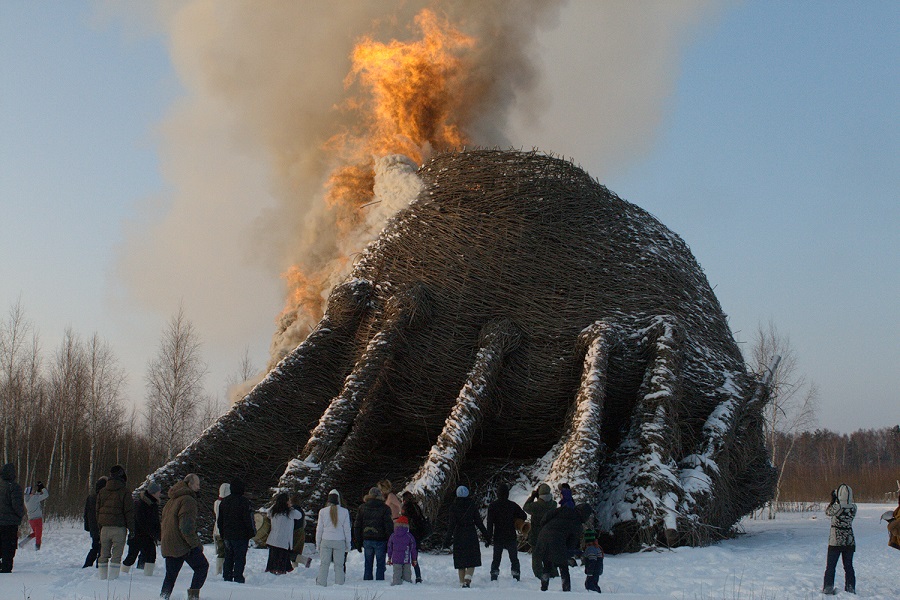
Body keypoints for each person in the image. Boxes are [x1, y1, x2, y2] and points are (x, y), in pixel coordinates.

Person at [160, 473, 208, 600]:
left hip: (169, 542)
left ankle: (163, 597)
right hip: (182, 544)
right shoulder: (188, 500)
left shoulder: (172, 499)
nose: (199, 487)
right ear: (189, 484)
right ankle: (193, 596)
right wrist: (195, 544)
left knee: (170, 576)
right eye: (197, 484)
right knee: (202, 566)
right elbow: (186, 527)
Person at [534, 502, 590, 592]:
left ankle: (544, 587)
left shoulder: (564, 509)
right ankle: (566, 589)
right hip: (557, 541)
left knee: (547, 564)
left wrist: (544, 526)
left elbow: (547, 515)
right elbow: (571, 543)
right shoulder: (577, 525)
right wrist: (565, 552)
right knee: (563, 567)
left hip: (543, 536)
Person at [444, 485, 488, 588]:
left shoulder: (453, 507)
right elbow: (479, 522)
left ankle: (461, 582)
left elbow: (451, 525)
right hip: (470, 533)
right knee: (472, 558)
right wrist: (486, 535)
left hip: (459, 534)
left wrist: (447, 539)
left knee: (461, 559)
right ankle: (467, 579)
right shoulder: (471, 505)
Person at [95, 465, 135, 580]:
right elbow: (129, 513)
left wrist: (100, 527)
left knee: (103, 555)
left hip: (104, 528)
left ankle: (102, 578)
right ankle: (112, 580)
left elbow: (97, 511)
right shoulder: (125, 492)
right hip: (119, 529)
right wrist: (132, 529)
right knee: (116, 557)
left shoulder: (102, 492)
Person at [216, 477, 255, 584]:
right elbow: (248, 519)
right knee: (239, 557)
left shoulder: (224, 502)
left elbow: (220, 520)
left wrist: (222, 533)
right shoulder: (244, 502)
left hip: (228, 534)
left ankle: (227, 575)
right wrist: (251, 532)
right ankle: (238, 576)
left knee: (229, 556)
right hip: (241, 535)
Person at [486, 482, 527, 581]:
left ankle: (494, 574)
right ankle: (516, 574)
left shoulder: (493, 506)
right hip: (510, 535)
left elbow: (490, 523)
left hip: (498, 535)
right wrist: (515, 519)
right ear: (507, 494)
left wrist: (488, 537)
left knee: (496, 558)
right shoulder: (512, 505)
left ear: (498, 493)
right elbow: (524, 515)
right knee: (514, 558)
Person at [822, 483, 857, 595]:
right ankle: (850, 587)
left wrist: (833, 500)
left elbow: (828, 512)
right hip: (849, 541)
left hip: (835, 541)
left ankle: (828, 587)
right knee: (848, 566)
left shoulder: (836, 508)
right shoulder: (854, 508)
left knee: (831, 567)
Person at [353, 486, 393, 580]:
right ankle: (379, 582)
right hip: (381, 539)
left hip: (367, 538)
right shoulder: (385, 508)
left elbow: (357, 525)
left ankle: (367, 581)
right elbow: (389, 527)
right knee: (380, 564)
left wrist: (358, 541)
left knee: (368, 563)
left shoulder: (362, 507)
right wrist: (389, 541)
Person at [121, 481, 161, 576]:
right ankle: (122, 574)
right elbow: (142, 522)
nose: (160, 494)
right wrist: (154, 534)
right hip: (137, 536)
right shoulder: (140, 504)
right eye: (159, 492)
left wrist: (158, 534)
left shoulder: (153, 504)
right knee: (131, 557)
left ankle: (148, 576)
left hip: (148, 537)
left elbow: (156, 521)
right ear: (153, 493)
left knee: (151, 556)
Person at [315, 488, 351, 586]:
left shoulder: (322, 512)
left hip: (326, 540)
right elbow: (347, 530)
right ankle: (340, 584)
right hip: (340, 541)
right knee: (339, 565)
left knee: (324, 564)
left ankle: (321, 584)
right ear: (339, 499)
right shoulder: (344, 512)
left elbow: (319, 529)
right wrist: (348, 544)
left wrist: (318, 544)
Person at [523, 483, 557, 579]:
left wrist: (532, 496)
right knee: (549, 557)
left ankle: (539, 575)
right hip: (549, 535)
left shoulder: (535, 506)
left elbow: (525, 507)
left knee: (537, 559)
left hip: (536, 535)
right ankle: (554, 574)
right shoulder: (553, 505)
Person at [0, 463, 25, 573]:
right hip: (9, 523)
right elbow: (17, 505)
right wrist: (21, 514)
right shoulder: (14, 487)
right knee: (8, 546)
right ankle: (6, 568)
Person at [401, 491, 430, 583]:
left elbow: (404, 521)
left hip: (408, 533)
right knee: (414, 557)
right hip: (417, 535)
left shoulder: (405, 508)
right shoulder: (416, 506)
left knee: (404, 556)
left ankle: (404, 576)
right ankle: (418, 576)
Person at [83, 477, 107, 568]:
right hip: (101, 525)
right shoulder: (104, 498)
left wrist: (87, 526)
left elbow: (86, 513)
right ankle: (99, 565)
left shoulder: (91, 497)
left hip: (93, 526)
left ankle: (88, 564)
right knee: (102, 547)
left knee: (95, 546)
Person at [387, 515, 418, 585]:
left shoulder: (393, 535)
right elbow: (413, 548)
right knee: (407, 575)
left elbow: (389, 547)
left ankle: (396, 584)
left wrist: (389, 558)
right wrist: (414, 559)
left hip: (396, 559)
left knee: (397, 574)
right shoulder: (409, 536)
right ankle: (407, 586)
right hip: (406, 558)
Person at [20, 481, 49, 550]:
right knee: (38, 535)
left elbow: (35, 497)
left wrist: (38, 490)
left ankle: (22, 543)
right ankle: (37, 548)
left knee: (36, 533)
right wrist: (42, 488)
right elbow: (46, 495)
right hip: (37, 519)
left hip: (31, 520)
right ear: (30, 493)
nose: (33, 491)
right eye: (32, 491)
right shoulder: (34, 498)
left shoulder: (26, 499)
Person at [212, 482, 230, 576]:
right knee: (225, 551)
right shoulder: (225, 503)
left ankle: (219, 570)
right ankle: (221, 570)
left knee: (220, 551)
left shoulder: (216, 502)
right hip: (224, 530)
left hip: (217, 530)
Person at [581, 529, 603, 593]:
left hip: (593, 572)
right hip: (596, 571)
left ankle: (594, 595)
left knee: (589, 585)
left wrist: (590, 572)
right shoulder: (596, 547)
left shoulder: (591, 549)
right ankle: (598, 593)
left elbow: (592, 561)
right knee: (594, 584)